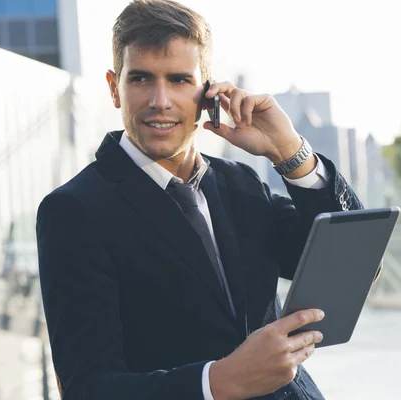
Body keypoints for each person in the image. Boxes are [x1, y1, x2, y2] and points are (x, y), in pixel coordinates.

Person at [36, 1, 368, 399]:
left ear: (208, 91)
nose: (160, 100)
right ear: (114, 88)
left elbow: (355, 266)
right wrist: (219, 381)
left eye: (179, 80)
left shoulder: (240, 183)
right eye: (141, 79)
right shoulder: (74, 211)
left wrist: (291, 153)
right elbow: (88, 389)